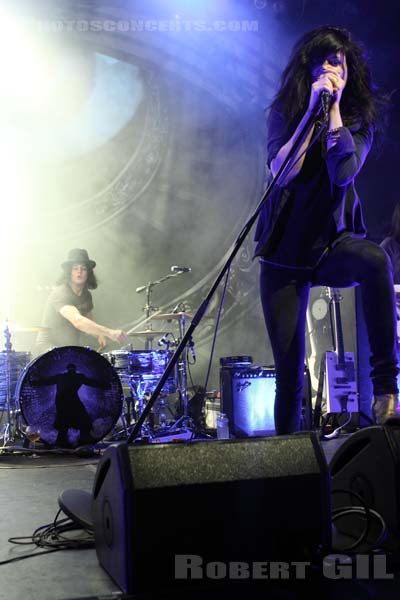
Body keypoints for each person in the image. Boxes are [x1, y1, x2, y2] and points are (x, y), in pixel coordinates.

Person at [254, 25, 399, 434]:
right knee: (289, 373)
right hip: (284, 255)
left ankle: (386, 390)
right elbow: (283, 173)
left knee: (374, 259)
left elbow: (343, 173)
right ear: (311, 68)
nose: (335, 68)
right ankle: (289, 462)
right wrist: (310, 114)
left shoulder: (359, 120)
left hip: (331, 246)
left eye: (342, 62)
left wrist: (333, 110)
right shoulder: (284, 111)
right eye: (327, 61)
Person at [35, 248, 128, 354]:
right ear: (69, 272)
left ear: (88, 273)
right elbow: (78, 321)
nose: (79, 272)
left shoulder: (86, 295)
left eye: (83, 268)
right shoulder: (61, 293)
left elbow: (88, 321)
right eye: (75, 268)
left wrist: (99, 335)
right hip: (48, 346)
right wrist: (109, 332)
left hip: (69, 346)